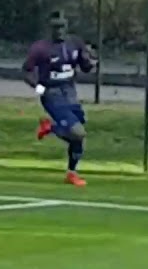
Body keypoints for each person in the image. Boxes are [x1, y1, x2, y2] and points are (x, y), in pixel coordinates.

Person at [23, 11, 96, 186]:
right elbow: (26, 70)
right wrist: (38, 87)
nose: (59, 31)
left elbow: (85, 67)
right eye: (56, 27)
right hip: (52, 94)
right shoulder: (41, 48)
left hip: (70, 92)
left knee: (78, 136)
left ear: (67, 27)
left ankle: (72, 172)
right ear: (50, 28)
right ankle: (51, 127)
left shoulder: (75, 44)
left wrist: (90, 61)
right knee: (78, 132)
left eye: (62, 26)